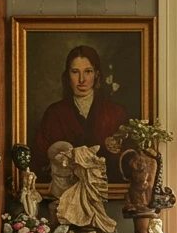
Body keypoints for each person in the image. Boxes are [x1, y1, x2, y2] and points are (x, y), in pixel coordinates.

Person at [32, 45, 129, 183]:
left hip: (108, 192)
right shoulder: (54, 113)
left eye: (88, 71)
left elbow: (126, 160)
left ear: (96, 74)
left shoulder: (115, 112)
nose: (82, 79)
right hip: (65, 193)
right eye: (75, 72)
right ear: (67, 75)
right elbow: (39, 160)